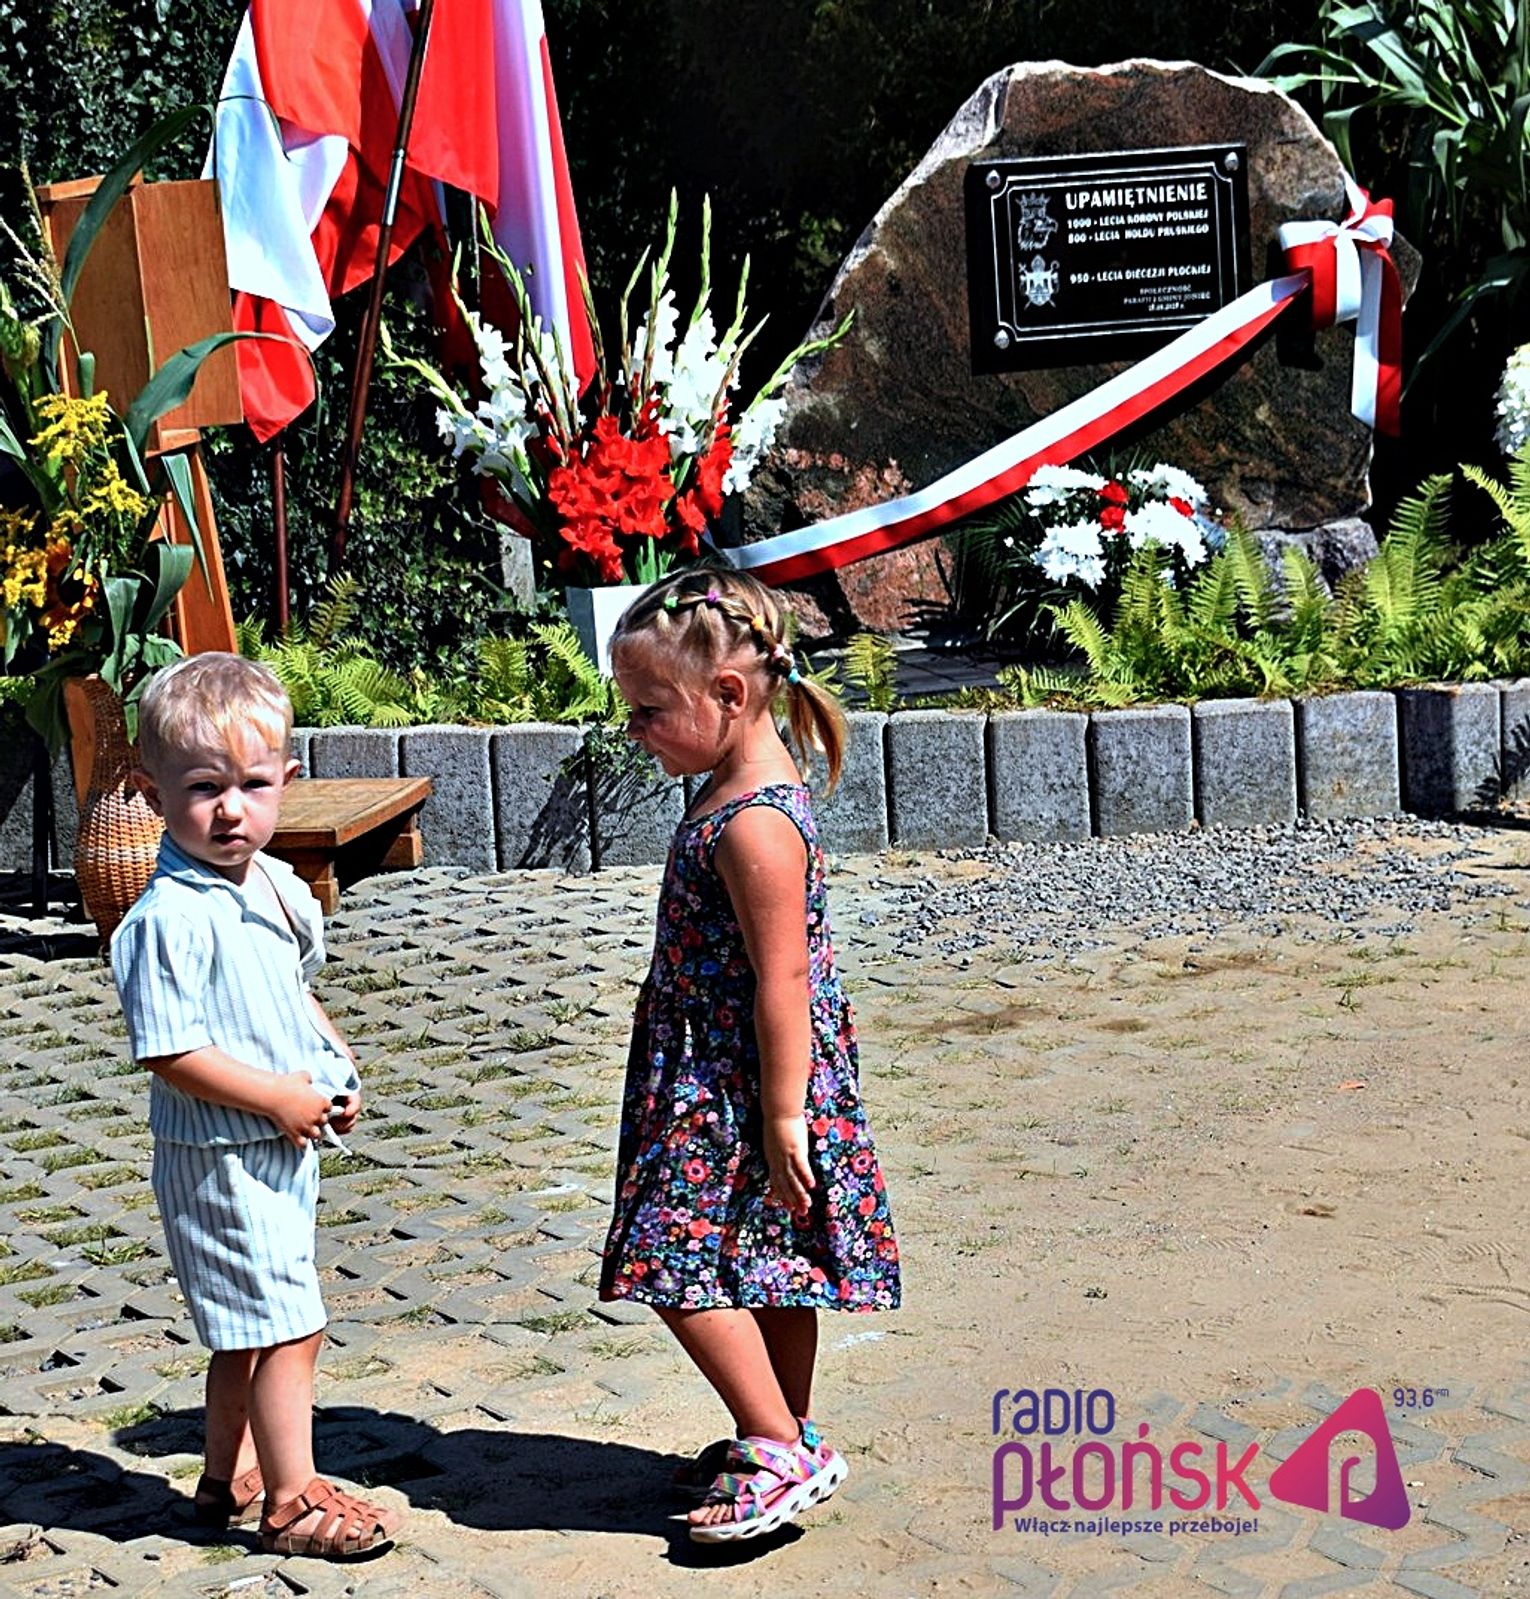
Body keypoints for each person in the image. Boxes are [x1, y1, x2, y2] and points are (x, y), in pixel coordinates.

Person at [598, 568, 901, 1545]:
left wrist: (782, 1116)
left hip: (735, 1086)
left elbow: (785, 982)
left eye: (650, 709)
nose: (634, 729)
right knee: (772, 1263)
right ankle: (784, 1433)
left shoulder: (757, 825)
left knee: (666, 1257)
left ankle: (774, 1440)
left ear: (728, 695)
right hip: (716, 1075)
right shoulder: (731, 791)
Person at [110, 653, 401, 1561]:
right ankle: (291, 1498)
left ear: (287, 779)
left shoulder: (273, 883)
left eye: (253, 785)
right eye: (204, 788)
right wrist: (275, 1094)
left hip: (280, 1142)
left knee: (247, 1327)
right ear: (153, 794)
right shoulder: (167, 917)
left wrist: (331, 1067)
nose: (231, 809)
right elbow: (169, 1049)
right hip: (219, 1156)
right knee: (289, 1324)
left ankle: (223, 1474)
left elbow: (290, 991)